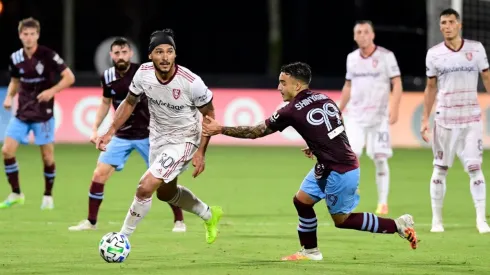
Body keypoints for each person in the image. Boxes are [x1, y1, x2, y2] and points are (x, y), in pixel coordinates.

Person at [203, 62, 417, 261]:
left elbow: (256, 132)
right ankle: (310, 250)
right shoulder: (323, 97)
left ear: (296, 85)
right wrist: (318, 144)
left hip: (340, 170)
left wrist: (220, 129)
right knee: (301, 201)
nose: (278, 87)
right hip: (328, 164)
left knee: (342, 221)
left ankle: (397, 225)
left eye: (283, 83)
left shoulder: (291, 109)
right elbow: (337, 125)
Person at [95, 29, 223, 244]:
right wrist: (109, 132)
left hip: (185, 140)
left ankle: (122, 239)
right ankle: (209, 214)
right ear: (150, 55)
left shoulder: (191, 82)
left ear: (175, 54)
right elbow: (129, 103)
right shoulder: (143, 74)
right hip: (157, 139)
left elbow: (209, 116)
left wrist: (201, 151)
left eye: (169, 51)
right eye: (159, 51)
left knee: (145, 187)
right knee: (165, 193)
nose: (165, 57)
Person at [68, 37, 186, 232]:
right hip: (121, 136)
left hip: (149, 136)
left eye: (124, 53)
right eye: (117, 53)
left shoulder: (144, 73)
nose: (121, 56)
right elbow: (105, 103)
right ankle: (91, 222)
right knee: (99, 174)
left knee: (164, 180)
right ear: (111, 55)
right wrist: (96, 129)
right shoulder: (107, 76)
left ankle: (179, 220)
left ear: (131, 54)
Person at [421, 8, 490, 234]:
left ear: (459, 24)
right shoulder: (434, 54)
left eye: (451, 21)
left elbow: (487, 77)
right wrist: (424, 119)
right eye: (443, 22)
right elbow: (430, 87)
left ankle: (481, 220)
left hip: (471, 119)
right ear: (440, 26)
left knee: (475, 168)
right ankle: (437, 221)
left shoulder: (476, 49)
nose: (447, 26)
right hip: (445, 119)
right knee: (440, 169)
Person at [1, 17, 75, 210]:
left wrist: (52, 91)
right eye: (25, 34)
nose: (29, 37)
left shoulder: (48, 55)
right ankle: (16, 193)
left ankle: (48, 195)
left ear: (37, 35)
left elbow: (69, 77)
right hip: (22, 113)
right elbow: (15, 81)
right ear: (20, 36)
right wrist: (9, 97)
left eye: (32, 34)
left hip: (44, 115)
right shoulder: (15, 58)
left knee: (47, 158)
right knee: (7, 151)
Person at [338, 20, 403, 215]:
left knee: (380, 159)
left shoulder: (386, 56)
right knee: (350, 157)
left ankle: (382, 202)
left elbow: (397, 83)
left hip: (379, 117)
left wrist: (395, 107)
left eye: (366, 32)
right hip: (356, 116)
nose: (362, 35)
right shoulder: (351, 58)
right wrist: (339, 109)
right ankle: (350, 193)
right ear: (354, 36)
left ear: (372, 35)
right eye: (358, 32)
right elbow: (348, 85)